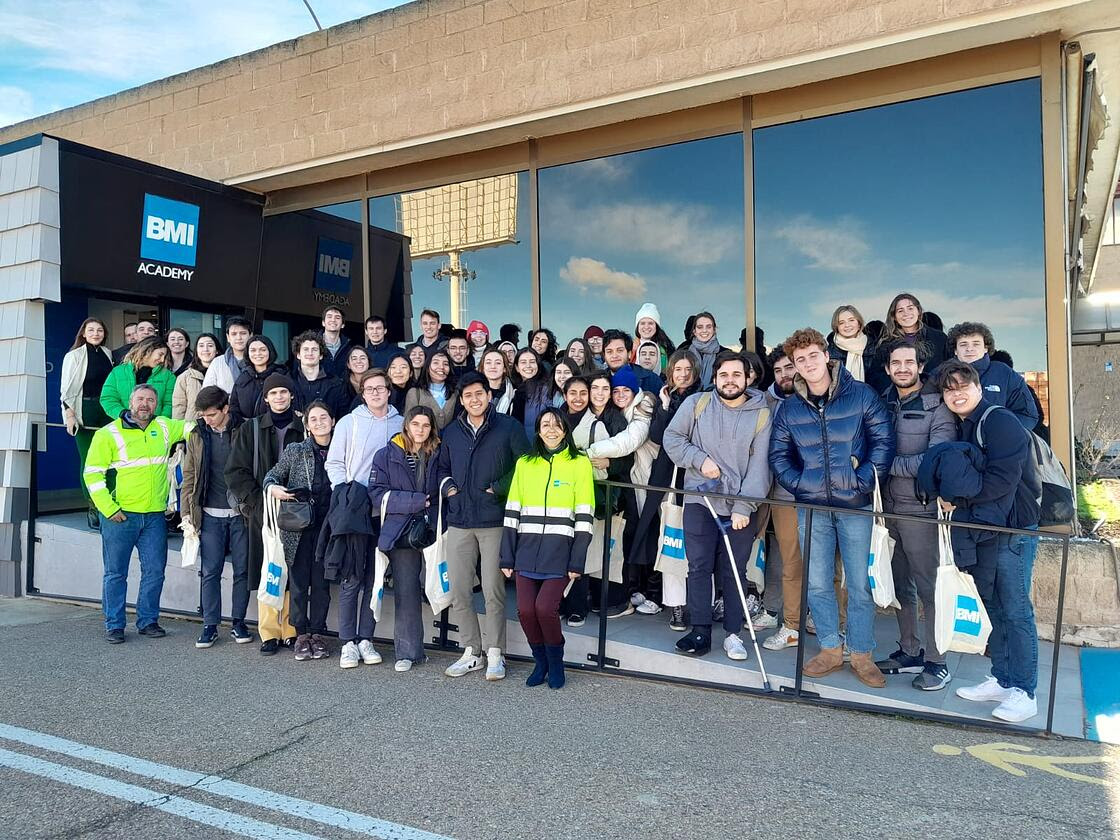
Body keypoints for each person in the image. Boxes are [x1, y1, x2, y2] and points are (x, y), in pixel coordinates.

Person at [768, 328, 894, 687]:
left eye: (812, 356)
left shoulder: (861, 395)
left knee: (858, 584)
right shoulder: (790, 408)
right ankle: (829, 648)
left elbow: (883, 441)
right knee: (819, 582)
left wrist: (864, 479)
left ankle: (861, 652)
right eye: (799, 361)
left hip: (854, 505)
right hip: (811, 508)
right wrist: (802, 484)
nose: (807, 364)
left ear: (826, 355)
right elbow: (779, 455)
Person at [923, 360, 1041, 722]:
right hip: (988, 528)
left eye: (963, 386)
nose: (956, 393)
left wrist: (957, 498)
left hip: (1013, 530)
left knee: (1017, 610)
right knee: (996, 607)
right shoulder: (967, 425)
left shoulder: (1000, 421)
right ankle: (1003, 679)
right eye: (949, 389)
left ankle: (1025, 691)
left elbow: (1002, 480)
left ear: (978, 386)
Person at [663, 350, 773, 660]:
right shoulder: (696, 404)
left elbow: (760, 466)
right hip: (701, 497)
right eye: (724, 375)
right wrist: (699, 460)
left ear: (747, 378)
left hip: (739, 505)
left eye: (737, 374)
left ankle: (733, 634)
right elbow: (673, 438)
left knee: (734, 571)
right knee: (698, 566)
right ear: (715, 378)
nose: (730, 380)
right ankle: (700, 630)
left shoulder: (761, 414)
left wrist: (744, 507)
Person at [874, 340, 957, 690]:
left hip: (921, 509)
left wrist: (887, 465)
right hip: (888, 509)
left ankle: (937, 661)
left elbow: (936, 458)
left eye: (909, 362)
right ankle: (909, 650)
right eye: (896, 363)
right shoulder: (883, 402)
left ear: (920, 366)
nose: (903, 368)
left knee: (929, 588)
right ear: (889, 369)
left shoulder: (938, 406)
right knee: (900, 585)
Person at [437, 372, 531, 681]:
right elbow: (441, 467)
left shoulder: (508, 427)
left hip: (494, 519)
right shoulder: (451, 431)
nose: (475, 399)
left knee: (493, 590)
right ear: (462, 400)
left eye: (480, 393)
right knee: (460, 589)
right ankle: (471, 651)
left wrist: (498, 488)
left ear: (488, 396)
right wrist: (449, 487)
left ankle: (495, 653)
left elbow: (526, 465)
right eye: (468, 396)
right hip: (460, 519)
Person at [84, 384, 189, 643]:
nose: (145, 404)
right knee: (115, 573)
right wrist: (108, 508)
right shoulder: (108, 433)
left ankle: (148, 621)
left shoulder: (164, 426)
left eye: (151, 400)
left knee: (155, 571)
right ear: (130, 402)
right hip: (121, 516)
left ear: (156, 404)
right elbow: (93, 474)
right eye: (140, 399)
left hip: (154, 516)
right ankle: (115, 625)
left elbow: (192, 427)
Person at [501, 408, 595, 689]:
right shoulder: (525, 464)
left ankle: (556, 662)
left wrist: (577, 560)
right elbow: (512, 510)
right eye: (545, 425)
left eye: (557, 425)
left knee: (545, 609)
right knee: (525, 611)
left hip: (560, 552)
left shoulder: (579, 463)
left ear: (565, 430)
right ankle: (539, 661)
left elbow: (585, 515)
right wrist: (507, 554)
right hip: (525, 551)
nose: (551, 430)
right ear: (538, 430)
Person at [326, 368, 403, 667]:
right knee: (352, 578)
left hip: (384, 512)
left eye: (380, 388)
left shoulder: (400, 423)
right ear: (362, 392)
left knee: (375, 579)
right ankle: (347, 642)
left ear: (388, 390)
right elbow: (334, 462)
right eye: (369, 388)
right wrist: (344, 492)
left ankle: (366, 639)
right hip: (354, 511)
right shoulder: (349, 422)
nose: (375, 393)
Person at [225, 373, 305, 655]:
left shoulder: (304, 426)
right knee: (268, 569)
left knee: (294, 569)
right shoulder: (252, 429)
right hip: (263, 511)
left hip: (298, 509)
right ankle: (269, 631)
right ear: (267, 398)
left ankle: (291, 630)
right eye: (274, 393)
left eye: (284, 392)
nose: (280, 397)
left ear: (291, 396)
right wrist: (256, 503)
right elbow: (235, 471)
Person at [631, 348, 701, 630]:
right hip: (666, 478)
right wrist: (663, 405)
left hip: (693, 478)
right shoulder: (666, 398)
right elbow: (658, 437)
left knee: (696, 546)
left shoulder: (704, 398)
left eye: (687, 370)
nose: (682, 375)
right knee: (670, 541)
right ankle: (676, 605)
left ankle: (699, 605)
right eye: (677, 370)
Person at [368, 405, 442, 672]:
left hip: (434, 527)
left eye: (426, 425)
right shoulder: (386, 455)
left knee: (439, 583)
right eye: (416, 425)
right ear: (406, 426)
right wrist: (417, 501)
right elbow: (377, 493)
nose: (420, 430)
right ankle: (408, 653)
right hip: (401, 531)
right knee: (407, 591)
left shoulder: (439, 452)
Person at [263, 399, 337, 662]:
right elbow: (271, 476)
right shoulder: (296, 450)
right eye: (313, 419)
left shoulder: (341, 448)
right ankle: (301, 633)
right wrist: (273, 488)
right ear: (307, 425)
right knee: (298, 583)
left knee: (321, 584)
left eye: (324, 417)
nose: (319, 423)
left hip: (329, 526)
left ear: (333, 420)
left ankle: (318, 633)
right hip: (299, 526)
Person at [180, 386, 253, 649]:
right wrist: (186, 513)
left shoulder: (244, 430)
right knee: (210, 571)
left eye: (212, 414)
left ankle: (238, 622)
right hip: (209, 513)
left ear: (225, 409)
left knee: (242, 571)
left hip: (240, 514)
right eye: (203, 414)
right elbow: (190, 475)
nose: (207, 419)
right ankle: (210, 625)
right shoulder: (197, 434)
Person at [586, 366, 657, 614]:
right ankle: (636, 589)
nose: (620, 394)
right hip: (632, 481)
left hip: (646, 482)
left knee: (646, 534)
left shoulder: (642, 409)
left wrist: (591, 453)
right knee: (631, 537)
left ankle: (652, 594)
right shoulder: (618, 412)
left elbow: (628, 442)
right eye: (616, 390)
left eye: (625, 390)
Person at [760, 347, 808, 651]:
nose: (784, 375)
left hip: (822, 493)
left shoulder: (818, 397)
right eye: (778, 371)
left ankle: (818, 619)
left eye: (789, 367)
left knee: (829, 563)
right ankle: (791, 625)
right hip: (784, 492)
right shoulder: (767, 402)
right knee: (789, 560)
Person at [60, 317, 114, 530]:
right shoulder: (74, 356)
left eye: (99, 330)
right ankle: (93, 506)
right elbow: (66, 390)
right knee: (90, 461)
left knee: (110, 459)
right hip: (85, 410)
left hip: (106, 411)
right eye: (91, 330)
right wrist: (70, 416)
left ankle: (109, 502)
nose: (95, 333)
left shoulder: (108, 354)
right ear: (83, 333)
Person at [946, 321, 1039, 431]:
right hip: (954, 445)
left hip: (997, 443)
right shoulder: (942, 375)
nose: (969, 349)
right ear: (955, 350)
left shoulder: (1004, 373)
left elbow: (1027, 414)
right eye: (963, 344)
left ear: (986, 348)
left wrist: (1005, 434)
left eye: (976, 344)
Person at [868, 293, 950, 394]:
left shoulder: (939, 338)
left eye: (910, 308)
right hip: (899, 399)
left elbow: (950, 367)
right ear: (894, 316)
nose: (906, 313)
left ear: (919, 311)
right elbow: (875, 376)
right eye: (900, 310)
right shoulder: (886, 343)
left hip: (935, 397)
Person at [101, 336, 175, 420]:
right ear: (148, 350)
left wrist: (159, 423)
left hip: (155, 429)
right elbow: (108, 399)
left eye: (164, 357)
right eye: (160, 354)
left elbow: (169, 404)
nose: (162, 360)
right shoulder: (118, 372)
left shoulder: (168, 376)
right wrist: (124, 415)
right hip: (123, 427)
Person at [289, 330, 349, 420]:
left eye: (314, 349)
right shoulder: (288, 382)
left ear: (321, 355)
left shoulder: (336, 384)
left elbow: (343, 417)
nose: (310, 353)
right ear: (298, 355)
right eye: (306, 349)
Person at [229, 335, 284, 427]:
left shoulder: (281, 375)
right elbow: (234, 407)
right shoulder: (243, 377)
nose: (258, 353)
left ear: (270, 351)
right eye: (253, 350)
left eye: (262, 350)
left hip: (276, 429)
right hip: (248, 430)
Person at [404, 349, 459, 429]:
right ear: (427, 367)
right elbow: (408, 423)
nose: (441, 367)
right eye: (436, 363)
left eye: (446, 364)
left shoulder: (456, 392)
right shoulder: (415, 393)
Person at [173, 332, 220, 421]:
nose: (205, 349)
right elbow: (178, 407)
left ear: (217, 350)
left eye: (210, 345)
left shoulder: (225, 372)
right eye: (201, 346)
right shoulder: (185, 377)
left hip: (220, 428)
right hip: (193, 429)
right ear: (196, 350)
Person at [602, 329, 662, 395]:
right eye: (609, 352)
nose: (614, 356)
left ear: (629, 354)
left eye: (619, 350)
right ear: (604, 355)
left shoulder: (651, 379)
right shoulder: (599, 380)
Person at [203, 316, 253, 394]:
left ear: (250, 335)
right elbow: (207, 393)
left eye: (243, 333)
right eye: (234, 334)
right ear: (228, 337)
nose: (239, 337)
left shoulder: (258, 360)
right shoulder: (218, 362)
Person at [826, 305, 873, 383]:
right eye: (841, 323)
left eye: (851, 320)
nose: (847, 325)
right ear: (836, 327)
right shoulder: (829, 353)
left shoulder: (874, 347)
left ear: (859, 323)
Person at [511, 348, 552, 435]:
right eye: (523, 362)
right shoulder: (515, 389)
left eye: (532, 362)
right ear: (517, 367)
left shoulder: (545, 389)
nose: (528, 365)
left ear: (538, 365)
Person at [685, 312, 728, 390]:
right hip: (689, 398)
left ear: (714, 330)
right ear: (694, 331)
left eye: (708, 327)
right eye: (700, 327)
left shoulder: (726, 354)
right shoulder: (684, 353)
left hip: (717, 398)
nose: (704, 330)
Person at [632, 302, 676, 371]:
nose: (646, 327)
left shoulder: (666, 350)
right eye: (642, 323)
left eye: (650, 323)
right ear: (637, 327)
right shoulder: (629, 348)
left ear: (656, 326)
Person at [319, 306, 355, 379]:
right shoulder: (313, 346)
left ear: (342, 325)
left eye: (337, 318)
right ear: (323, 323)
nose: (333, 320)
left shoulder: (349, 349)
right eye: (329, 317)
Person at [479, 347, 515, 414]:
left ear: (505, 368)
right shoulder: (471, 390)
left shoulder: (514, 394)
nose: (493, 366)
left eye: (498, 363)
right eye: (488, 362)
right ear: (482, 367)